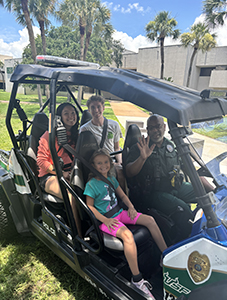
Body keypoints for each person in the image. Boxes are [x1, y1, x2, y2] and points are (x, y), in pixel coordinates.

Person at [84, 148, 167, 299]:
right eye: (99, 163)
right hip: (107, 220)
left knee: (150, 220)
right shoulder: (91, 185)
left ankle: (166, 254)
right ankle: (137, 279)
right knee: (128, 236)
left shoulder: (111, 179)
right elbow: (89, 207)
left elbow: (122, 194)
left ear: (110, 162)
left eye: (106, 162)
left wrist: (131, 207)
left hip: (120, 213)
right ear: (93, 165)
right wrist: (105, 220)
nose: (103, 165)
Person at [126, 114, 214, 241]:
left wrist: (203, 181)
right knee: (184, 209)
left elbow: (187, 167)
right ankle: (187, 237)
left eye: (158, 126)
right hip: (154, 193)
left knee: (206, 194)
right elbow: (129, 172)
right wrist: (142, 158)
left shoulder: (171, 145)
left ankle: (212, 226)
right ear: (148, 130)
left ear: (164, 127)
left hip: (176, 187)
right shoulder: (141, 147)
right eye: (152, 128)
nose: (156, 130)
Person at [37, 102, 81, 235]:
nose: (70, 116)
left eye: (73, 113)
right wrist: (61, 173)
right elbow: (41, 161)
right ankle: (78, 235)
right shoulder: (49, 135)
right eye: (66, 113)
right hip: (50, 175)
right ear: (59, 118)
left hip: (72, 172)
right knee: (71, 196)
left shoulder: (76, 135)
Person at [79, 95, 126, 190]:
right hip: (96, 163)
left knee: (121, 173)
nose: (96, 110)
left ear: (103, 108)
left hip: (111, 159)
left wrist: (119, 163)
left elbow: (116, 148)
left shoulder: (114, 125)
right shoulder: (85, 129)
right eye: (93, 107)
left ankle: (123, 200)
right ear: (89, 110)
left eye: (98, 107)